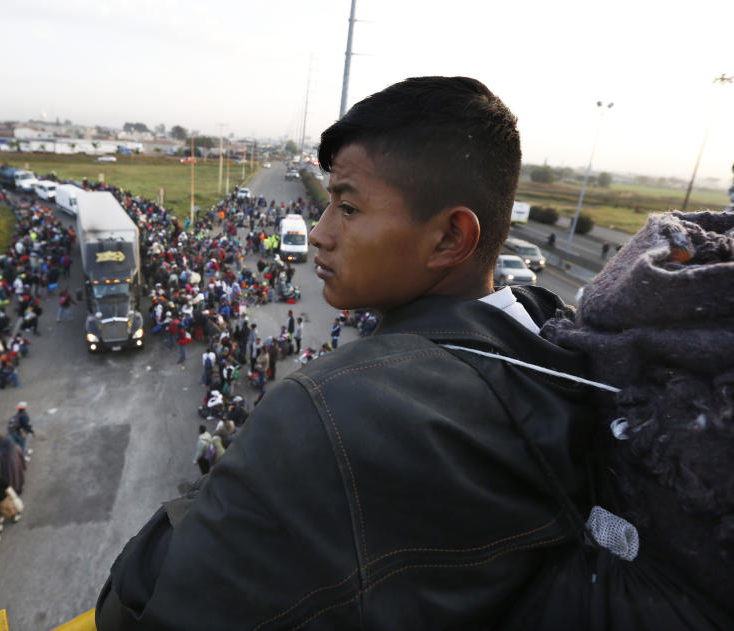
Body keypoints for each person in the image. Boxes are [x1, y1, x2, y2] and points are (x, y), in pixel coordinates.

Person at [96, 77, 596, 629]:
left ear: (450, 238)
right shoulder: (563, 356)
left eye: (349, 208)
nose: (318, 232)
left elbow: (141, 599)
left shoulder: (333, 406)